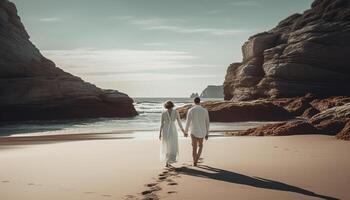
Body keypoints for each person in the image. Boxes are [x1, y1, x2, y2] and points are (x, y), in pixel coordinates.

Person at [159, 100, 186, 167]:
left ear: (166, 106)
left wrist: (159, 133)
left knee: (166, 144)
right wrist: (183, 131)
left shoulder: (163, 113)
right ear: (172, 105)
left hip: (165, 129)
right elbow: (179, 123)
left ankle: (167, 162)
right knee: (173, 144)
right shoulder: (176, 112)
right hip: (173, 129)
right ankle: (170, 160)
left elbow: (162, 124)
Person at [185, 97, 210, 166]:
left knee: (194, 147)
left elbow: (188, 122)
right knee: (201, 146)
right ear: (200, 102)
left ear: (194, 102)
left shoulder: (191, 110)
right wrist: (207, 133)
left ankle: (194, 161)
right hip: (202, 131)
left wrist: (186, 131)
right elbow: (207, 122)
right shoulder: (204, 110)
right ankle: (197, 158)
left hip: (193, 131)